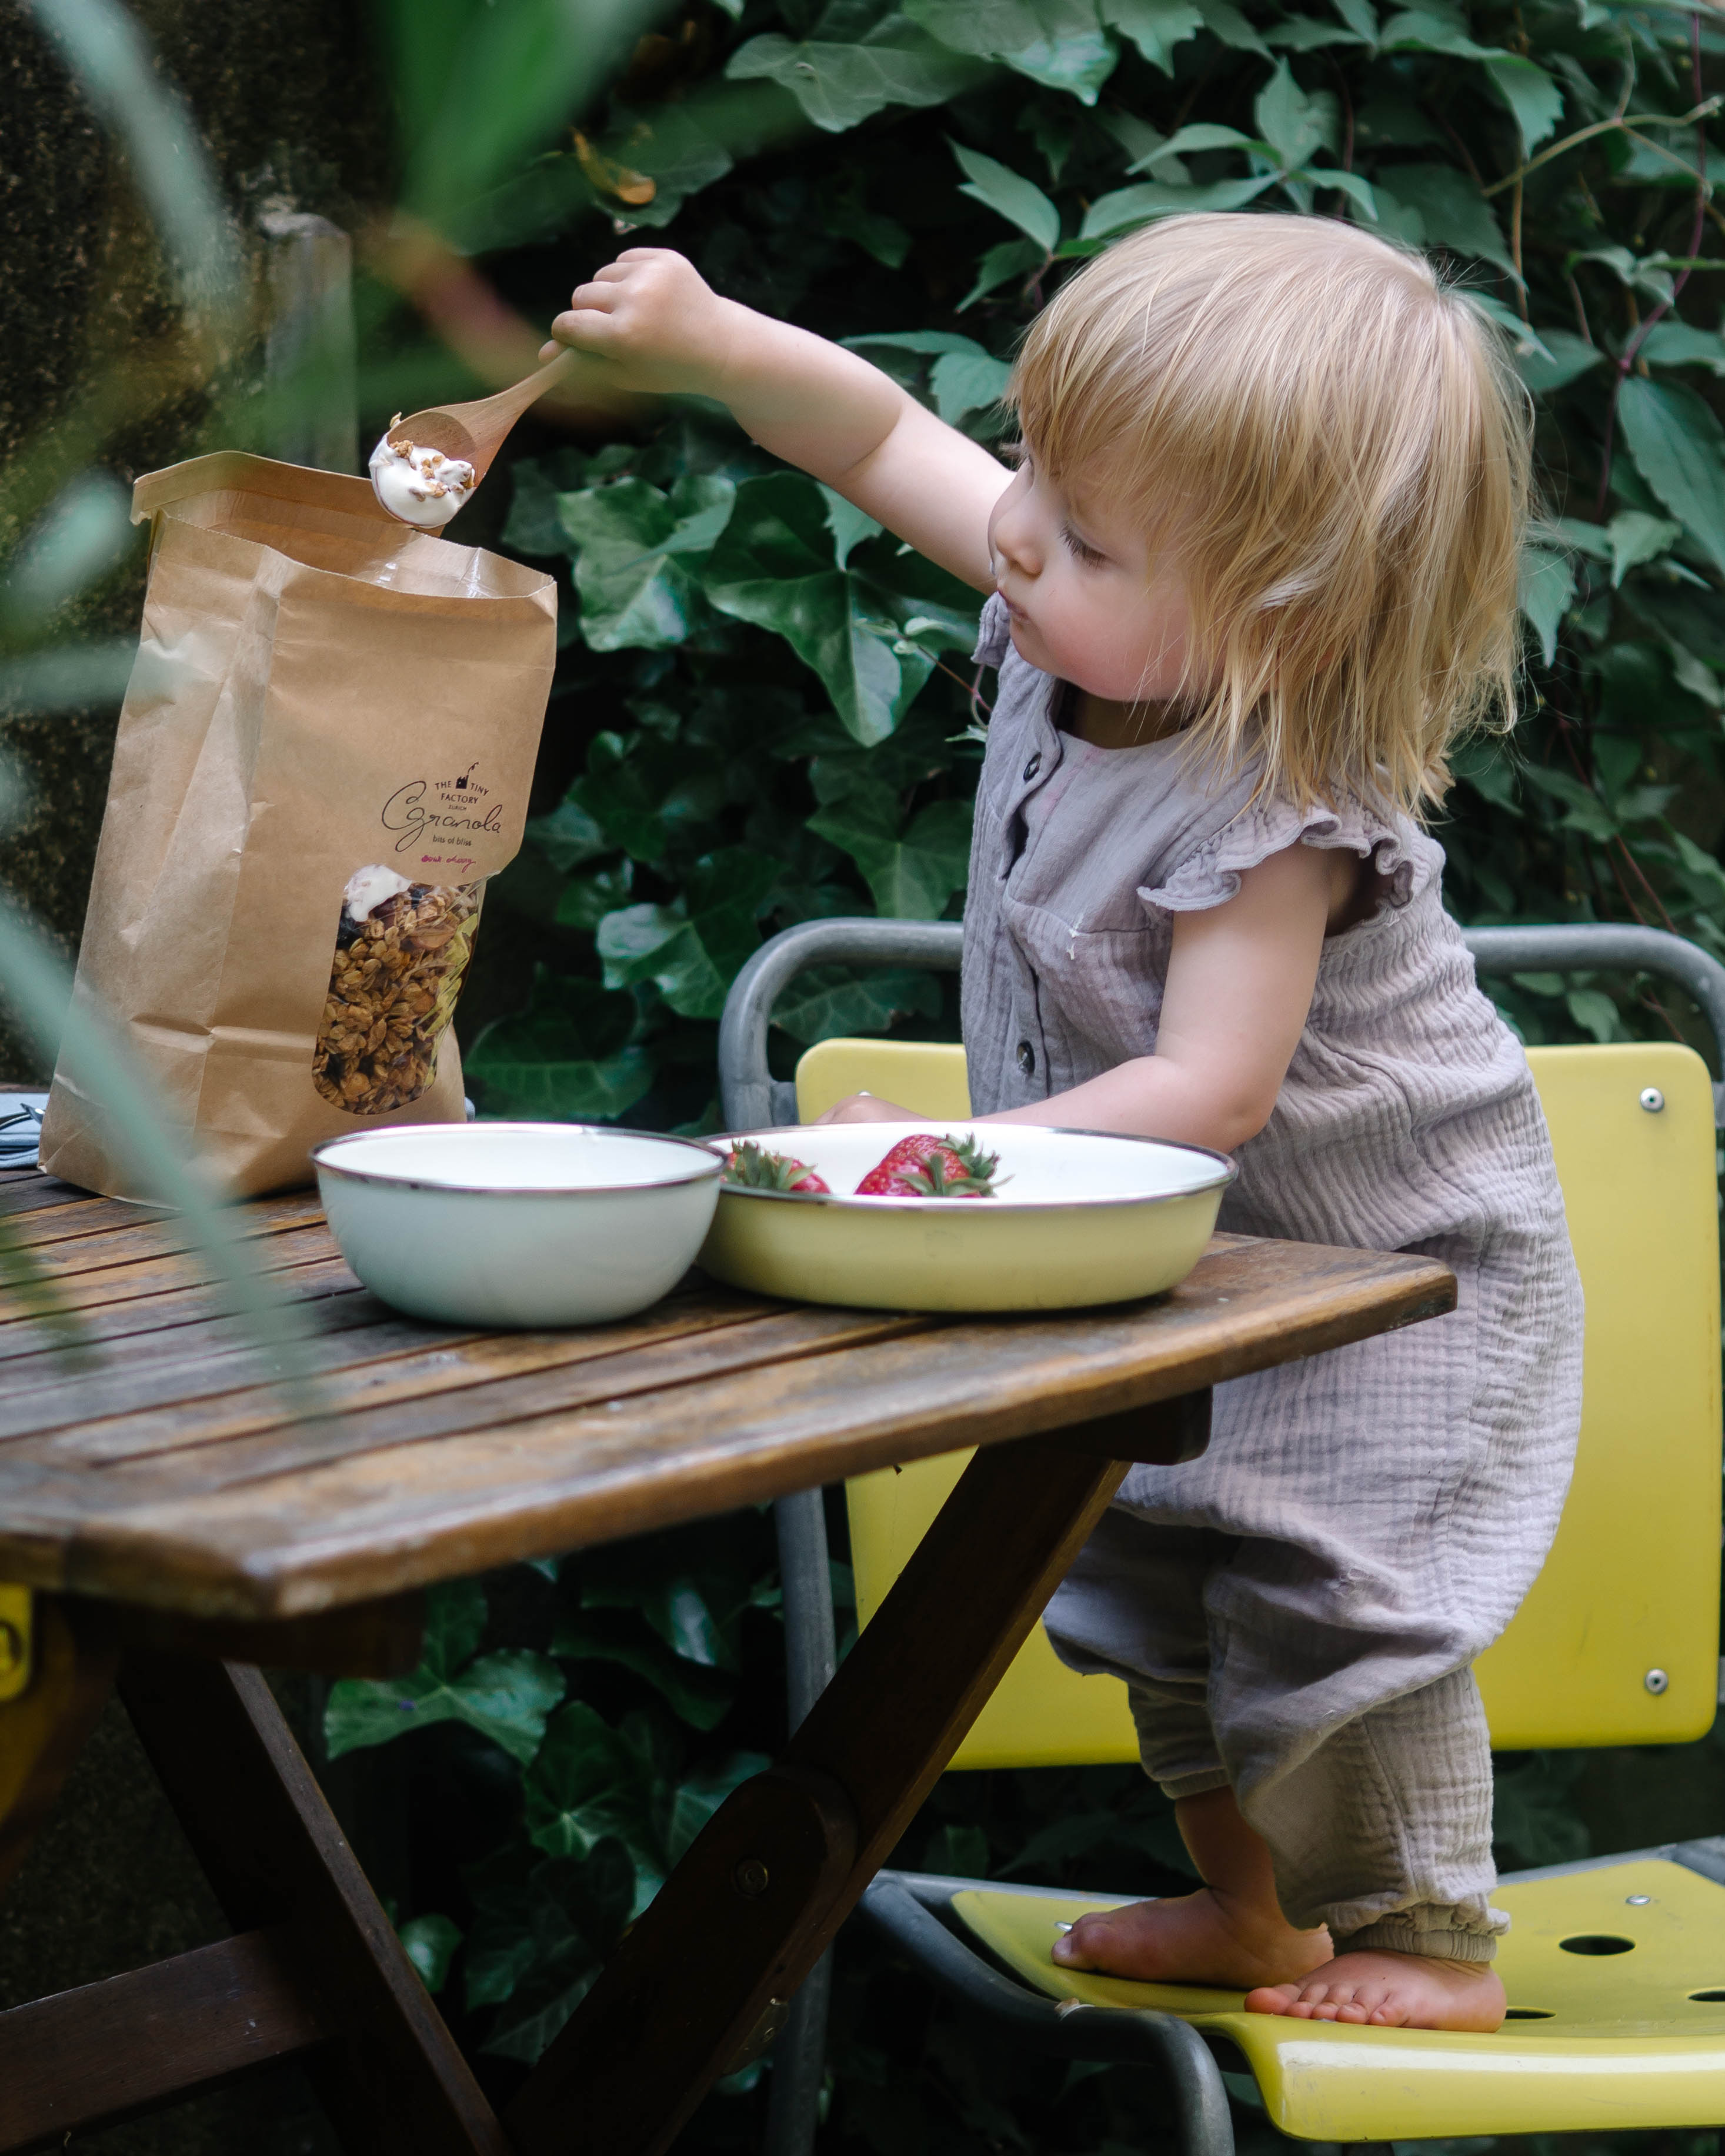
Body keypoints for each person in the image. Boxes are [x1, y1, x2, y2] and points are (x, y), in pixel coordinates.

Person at [543, 212, 1584, 2034]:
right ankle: (1252, 1908)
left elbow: (1214, 1085)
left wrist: (934, 1153)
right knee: (1144, 1562)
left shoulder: (1271, 801)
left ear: (1279, 616)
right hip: (1191, 1251)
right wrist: (718, 335)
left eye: (1082, 525)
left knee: (1335, 1606)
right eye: (1033, 462)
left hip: (1391, 1271)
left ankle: (1429, 1934)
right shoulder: (1080, 607)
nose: (1015, 524)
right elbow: (875, 437)